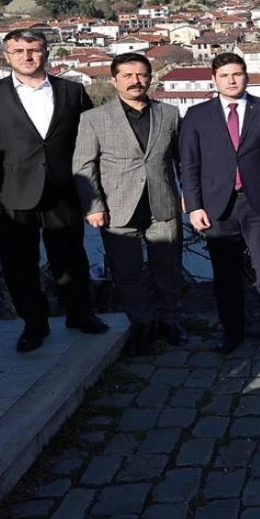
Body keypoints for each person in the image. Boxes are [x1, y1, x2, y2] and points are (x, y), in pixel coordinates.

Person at [0, 30, 106, 354]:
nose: (27, 56)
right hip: (11, 195)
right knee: (19, 265)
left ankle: (80, 314)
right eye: (18, 50)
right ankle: (34, 325)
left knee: (72, 258)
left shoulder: (73, 91)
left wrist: (92, 195)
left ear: (46, 52)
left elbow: (90, 144)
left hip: (63, 192)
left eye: (33, 49)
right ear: (6, 56)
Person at [180, 52, 260, 354]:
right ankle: (232, 332)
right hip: (217, 206)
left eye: (237, 74)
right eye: (224, 76)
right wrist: (194, 205)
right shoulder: (197, 115)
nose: (231, 80)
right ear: (214, 80)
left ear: (247, 76)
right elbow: (189, 164)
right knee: (225, 274)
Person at [72, 52, 184, 356]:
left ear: (150, 77)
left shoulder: (170, 114)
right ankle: (143, 324)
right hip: (117, 208)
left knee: (169, 267)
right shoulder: (94, 118)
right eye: (128, 75)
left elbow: (182, 159)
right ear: (114, 80)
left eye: (142, 75)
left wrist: (187, 194)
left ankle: (171, 322)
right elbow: (83, 167)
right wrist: (93, 206)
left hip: (163, 205)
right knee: (127, 273)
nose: (136, 81)